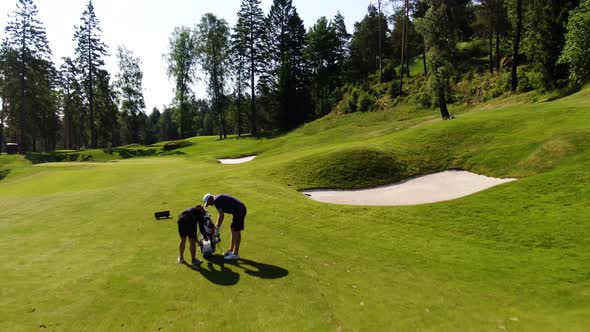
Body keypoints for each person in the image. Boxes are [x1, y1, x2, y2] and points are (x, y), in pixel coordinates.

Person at [203, 193, 247, 261]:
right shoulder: (216, 199)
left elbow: (221, 215)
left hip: (239, 210)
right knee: (233, 229)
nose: (209, 205)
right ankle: (231, 250)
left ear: (210, 199)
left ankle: (235, 254)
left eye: (208, 203)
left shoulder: (216, 200)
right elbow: (220, 214)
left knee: (236, 231)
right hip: (237, 211)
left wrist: (217, 227)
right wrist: (216, 226)